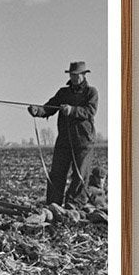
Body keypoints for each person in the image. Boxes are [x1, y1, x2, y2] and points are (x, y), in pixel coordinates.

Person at [28, 61, 97, 206]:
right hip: (64, 140)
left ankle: (74, 205)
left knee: (80, 175)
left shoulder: (91, 92)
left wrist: (72, 110)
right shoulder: (63, 93)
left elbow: (90, 111)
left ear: (84, 75)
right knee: (57, 174)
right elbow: (49, 107)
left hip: (84, 140)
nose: (75, 78)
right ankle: (53, 204)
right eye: (72, 75)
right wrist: (37, 111)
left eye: (78, 75)